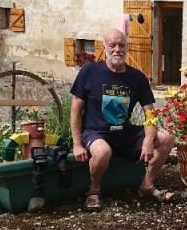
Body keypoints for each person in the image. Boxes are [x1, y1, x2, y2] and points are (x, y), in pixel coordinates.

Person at [70, 28, 175, 211]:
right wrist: (77, 144)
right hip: (95, 132)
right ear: (104, 48)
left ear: (127, 49)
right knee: (102, 152)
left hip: (124, 133)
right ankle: (94, 191)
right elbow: (76, 109)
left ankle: (146, 185)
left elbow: (150, 113)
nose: (117, 49)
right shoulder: (90, 71)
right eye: (112, 45)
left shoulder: (137, 77)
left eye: (121, 45)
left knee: (167, 138)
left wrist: (149, 140)